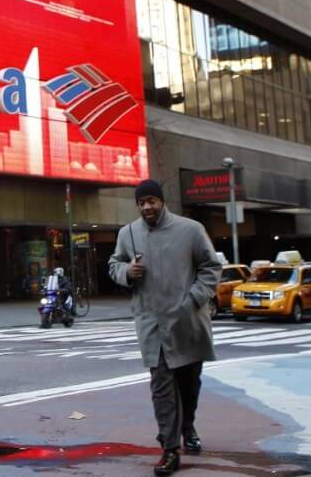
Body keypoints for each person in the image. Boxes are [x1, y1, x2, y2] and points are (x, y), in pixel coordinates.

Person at [108, 179, 222, 476]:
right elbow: (113, 265)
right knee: (161, 388)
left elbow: (212, 268)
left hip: (187, 322)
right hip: (151, 324)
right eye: (142, 202)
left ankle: (187, 425)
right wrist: (126, 271)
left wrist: (193, 299)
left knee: (189, 384)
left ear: (162, 201)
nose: (147, 207)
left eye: (152, 201)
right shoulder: (128, 233)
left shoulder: (191, 229)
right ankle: (170, 449)